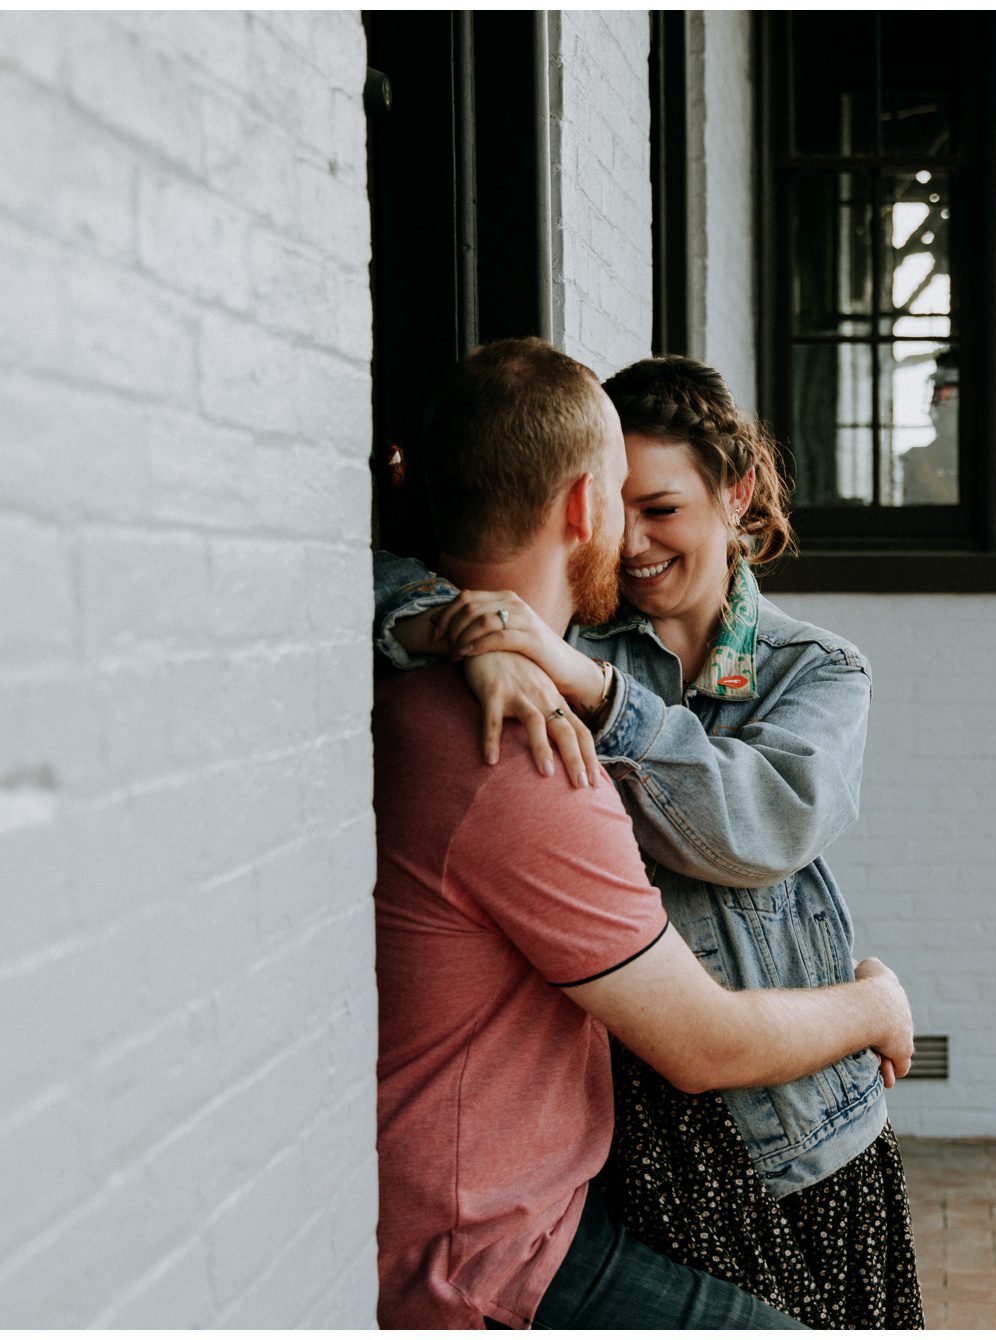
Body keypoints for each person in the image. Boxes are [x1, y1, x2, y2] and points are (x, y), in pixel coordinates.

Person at [374, 337, 915, 1331]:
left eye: (659, 507)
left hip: (792, 1127)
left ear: (737, 493)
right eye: (620, 506)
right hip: (639, 1123)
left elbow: (756, 823)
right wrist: (458, 628)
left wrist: (585, 686)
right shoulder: (559, 643)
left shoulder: (813, 669)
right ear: (584, 502)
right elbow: (419, 557)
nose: (629, 543)